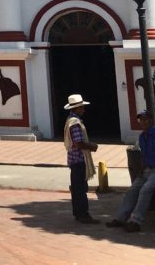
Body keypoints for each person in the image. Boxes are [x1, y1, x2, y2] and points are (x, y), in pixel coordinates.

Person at [106, 110, 155, 233]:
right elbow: (143, 155)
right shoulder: (142, 136)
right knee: (131, 191)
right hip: (147, 169)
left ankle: (136, 221)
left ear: (151, 120)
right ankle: (121, 218)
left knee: (145, 190)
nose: (143, 122)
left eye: (146, 119)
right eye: (141, 120)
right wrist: (141, 170)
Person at [62, 93, 98, 224]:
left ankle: (78, 213)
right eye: (81, 107)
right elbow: (78, 143)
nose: (83, 109)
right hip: (78, 160)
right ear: (76, 109)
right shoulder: (75, 123)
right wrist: (91, 146)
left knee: (77, 188)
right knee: (80, 189)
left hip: (73, 160)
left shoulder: (70, 121)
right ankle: (83, 214)